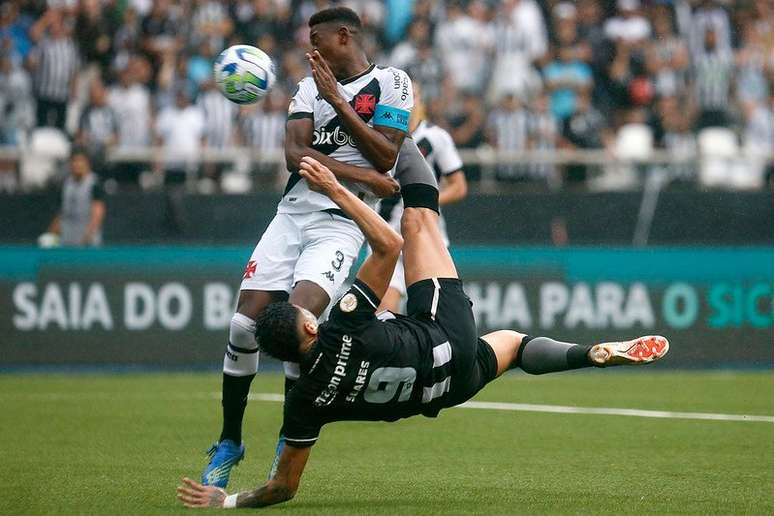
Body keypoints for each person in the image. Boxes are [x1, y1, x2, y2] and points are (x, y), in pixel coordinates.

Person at [177, 156, 669, 509]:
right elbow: (387, 244)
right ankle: (402, 133)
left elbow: (283, 488)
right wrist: (341, 183)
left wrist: (227, 504)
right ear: (310, 322)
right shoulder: (340, 325)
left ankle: (589, 352)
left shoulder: (303, 400)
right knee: (417, 218)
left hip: (444, 389)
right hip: (441, 335)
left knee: (515, 345)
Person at [201, 6, 413, 488]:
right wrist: (367, 179)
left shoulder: (393, 82)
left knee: (300, 326)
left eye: (317, 40)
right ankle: (230, 440)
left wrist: (338, 104)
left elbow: (388, 152)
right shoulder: (306, 86)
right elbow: (296, 156)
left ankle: (286, 438)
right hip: (293, 213)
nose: (310, 50)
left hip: (342, 223)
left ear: (344, 36)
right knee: (242, 324)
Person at [378, 83, 467, 312]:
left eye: (414, 95)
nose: (409, 101)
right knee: (385, 313)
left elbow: (458, 186)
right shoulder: (379, 136)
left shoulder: (435, 137)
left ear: (421, 101)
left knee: (433, 311)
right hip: (388, 235)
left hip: (426, 235)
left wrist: (425, 205)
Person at [43, 149, 106, 247]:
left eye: (80, 161)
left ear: (88, 163)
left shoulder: (94, 184)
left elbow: (97, 213)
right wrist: (50, 234)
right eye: (74, 161)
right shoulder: (66, 185)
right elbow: (62, 214)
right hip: (67, 239)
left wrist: (88, 235)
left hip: (87, 241)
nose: (77, 164)